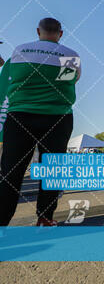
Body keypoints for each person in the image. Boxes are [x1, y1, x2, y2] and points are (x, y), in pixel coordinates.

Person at [0, 18, 81, 227]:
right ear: (60, 34)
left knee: (11, 171)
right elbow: (68, 82)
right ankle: (45, 217)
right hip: (57, 117)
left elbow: (13, 75)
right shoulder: (69, 54)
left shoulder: (20, 50)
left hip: (20, 116)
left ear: (38, 31)